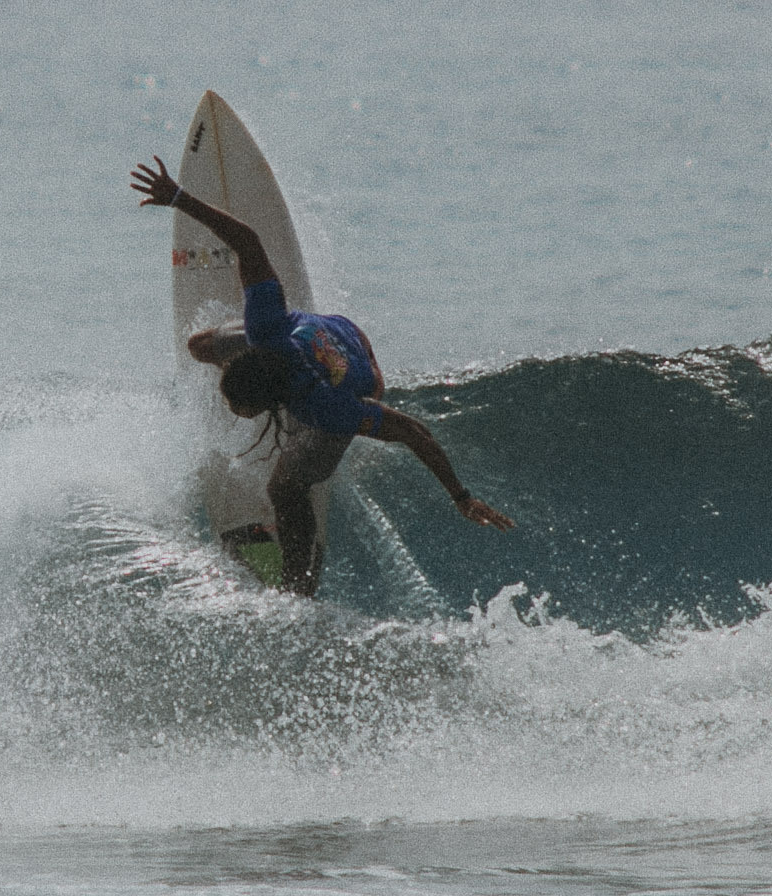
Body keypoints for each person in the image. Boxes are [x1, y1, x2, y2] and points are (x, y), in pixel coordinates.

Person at [129, 155, 513, 596]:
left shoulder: (323, 410)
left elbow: (412, 430)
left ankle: (299, 585)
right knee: (200, 346)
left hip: (361, 371)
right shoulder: (264, 325)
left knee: (286, 488)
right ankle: (240, 373)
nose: (234, 410)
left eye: (242, 408)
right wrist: (178, 198)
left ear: (271, 402)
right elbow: (248, 242)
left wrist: (461, 497)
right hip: (324, 328)